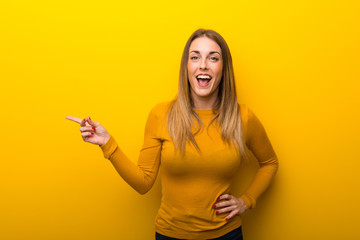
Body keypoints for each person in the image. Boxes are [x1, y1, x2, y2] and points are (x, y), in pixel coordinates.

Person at [66, 28, 279, 240]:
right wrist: (107, 143)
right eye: (195, 57)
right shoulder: (161, 115)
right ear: (186, 67)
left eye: (213, 58)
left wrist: (247, 200)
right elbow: (143, 183)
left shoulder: (243, 117)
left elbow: (270, 162)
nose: (203, 64)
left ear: (224, 68)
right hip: (170, 235)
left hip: (226, 234)